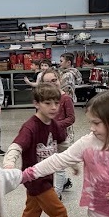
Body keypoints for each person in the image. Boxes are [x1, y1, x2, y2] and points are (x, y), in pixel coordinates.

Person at [4, 82, 95, 217]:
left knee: (34, 208)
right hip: (35, 178)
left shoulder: (54, 124)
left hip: (48, 176)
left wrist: (72, 164)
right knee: (59, 211)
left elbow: (62, 147)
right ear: (36, 103)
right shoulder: (30, 126)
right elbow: (16, 146)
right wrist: (9, 164)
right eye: (47, 103)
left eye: (56, 103)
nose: (53, 107)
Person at [40, 68, 75, 197]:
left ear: (60, 80)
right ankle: (64, 182)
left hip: (62, 138)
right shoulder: (43, 99)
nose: (52, 84)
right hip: (48, 138)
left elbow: (71, 118)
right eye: (47, 82)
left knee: (58, 166)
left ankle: (56, 194)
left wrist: (55, 125)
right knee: (50, 163)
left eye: (54, 80)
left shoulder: (65, 98)